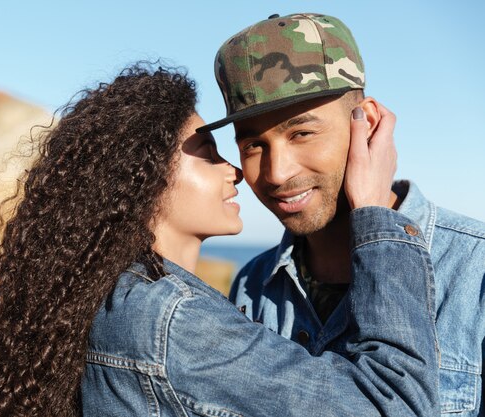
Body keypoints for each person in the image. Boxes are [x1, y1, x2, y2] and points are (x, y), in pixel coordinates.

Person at [0, 63, 440, 417]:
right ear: (142, 180)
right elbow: (390, 406)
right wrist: (375, 213)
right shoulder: (169, 315)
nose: (236, 171)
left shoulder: (120, 297)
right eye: (210, 153)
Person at [197, 12, 485, 416]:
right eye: (254, 146)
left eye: (302, 133)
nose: (277, 173)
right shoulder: (253, 286)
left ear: (366, 123)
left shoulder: (476, 271)